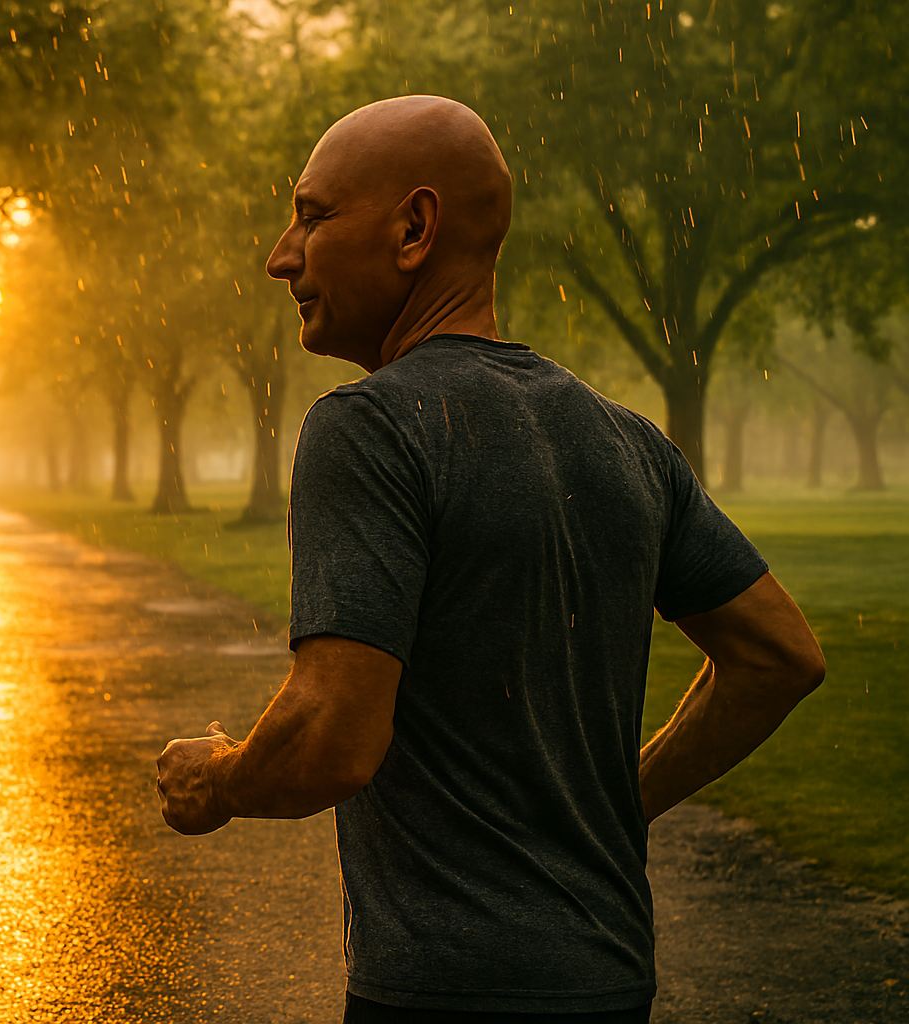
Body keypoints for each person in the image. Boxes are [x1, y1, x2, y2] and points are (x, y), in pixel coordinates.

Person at [153, 96, 826, 1023]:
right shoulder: (627, 441)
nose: (281, 257)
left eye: (312, 217)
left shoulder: (371, 428)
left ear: (414, 229)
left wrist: (219, 780)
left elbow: (335, 736)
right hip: (610, 977)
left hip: (447, 994)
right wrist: (619, 805)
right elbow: (778, 656)